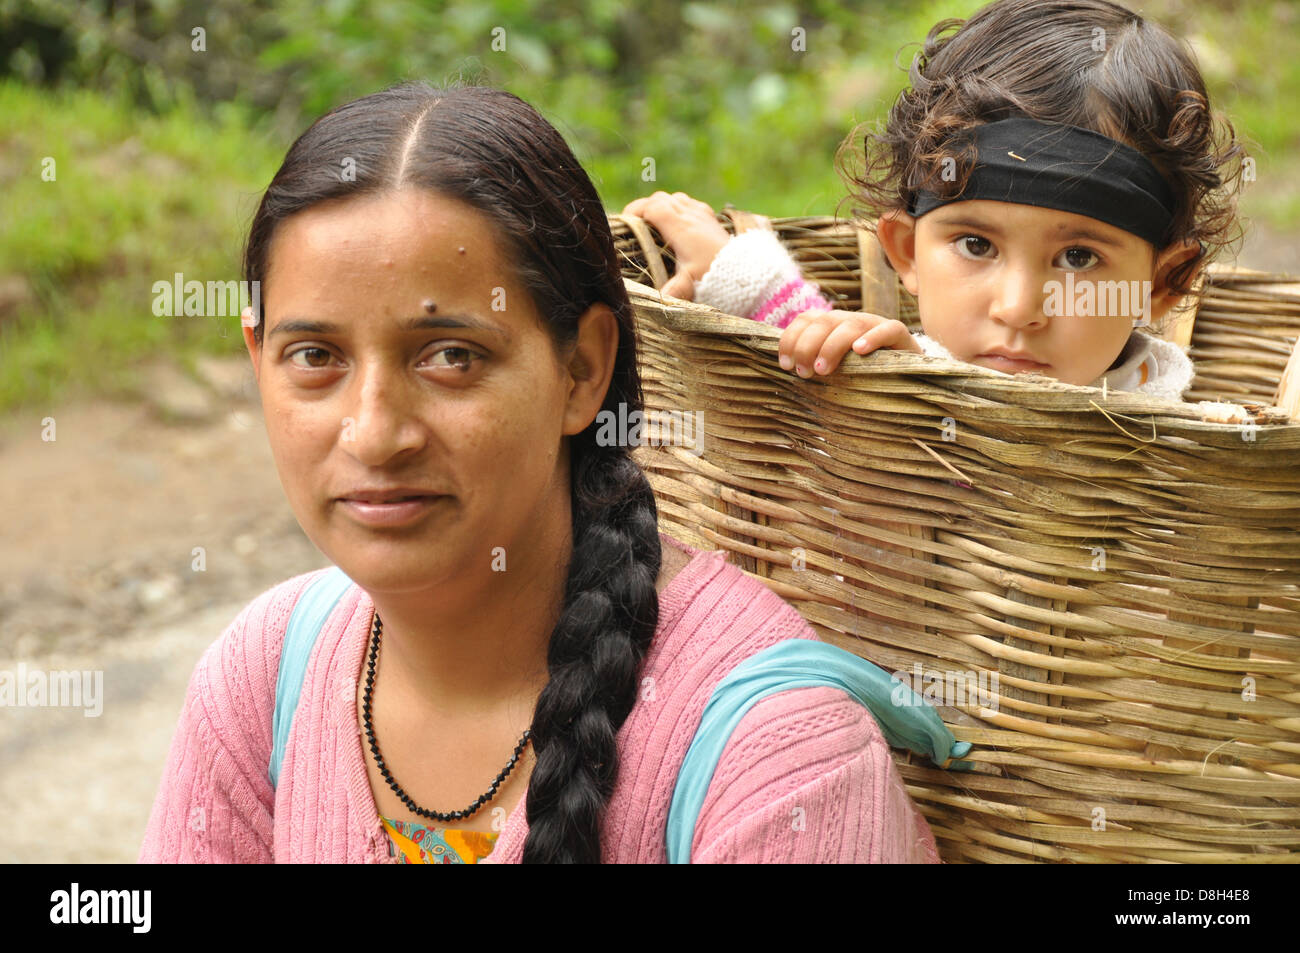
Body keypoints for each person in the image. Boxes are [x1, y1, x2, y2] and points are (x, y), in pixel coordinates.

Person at [137, 82, 942, 864]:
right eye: (315, 358)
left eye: (451, 356)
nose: (375, 433)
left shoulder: (781, 762)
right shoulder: (263, 678)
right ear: (257, 358)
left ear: (583, 370)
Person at [623, 0, 1250, 416]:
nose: (1019, 308)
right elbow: (802, 339)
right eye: (976, 245)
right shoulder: (911, 364)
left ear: (1162, 285)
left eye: (1079, 257)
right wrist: (728, 269)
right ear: (905, 252)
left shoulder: (1186, 441)